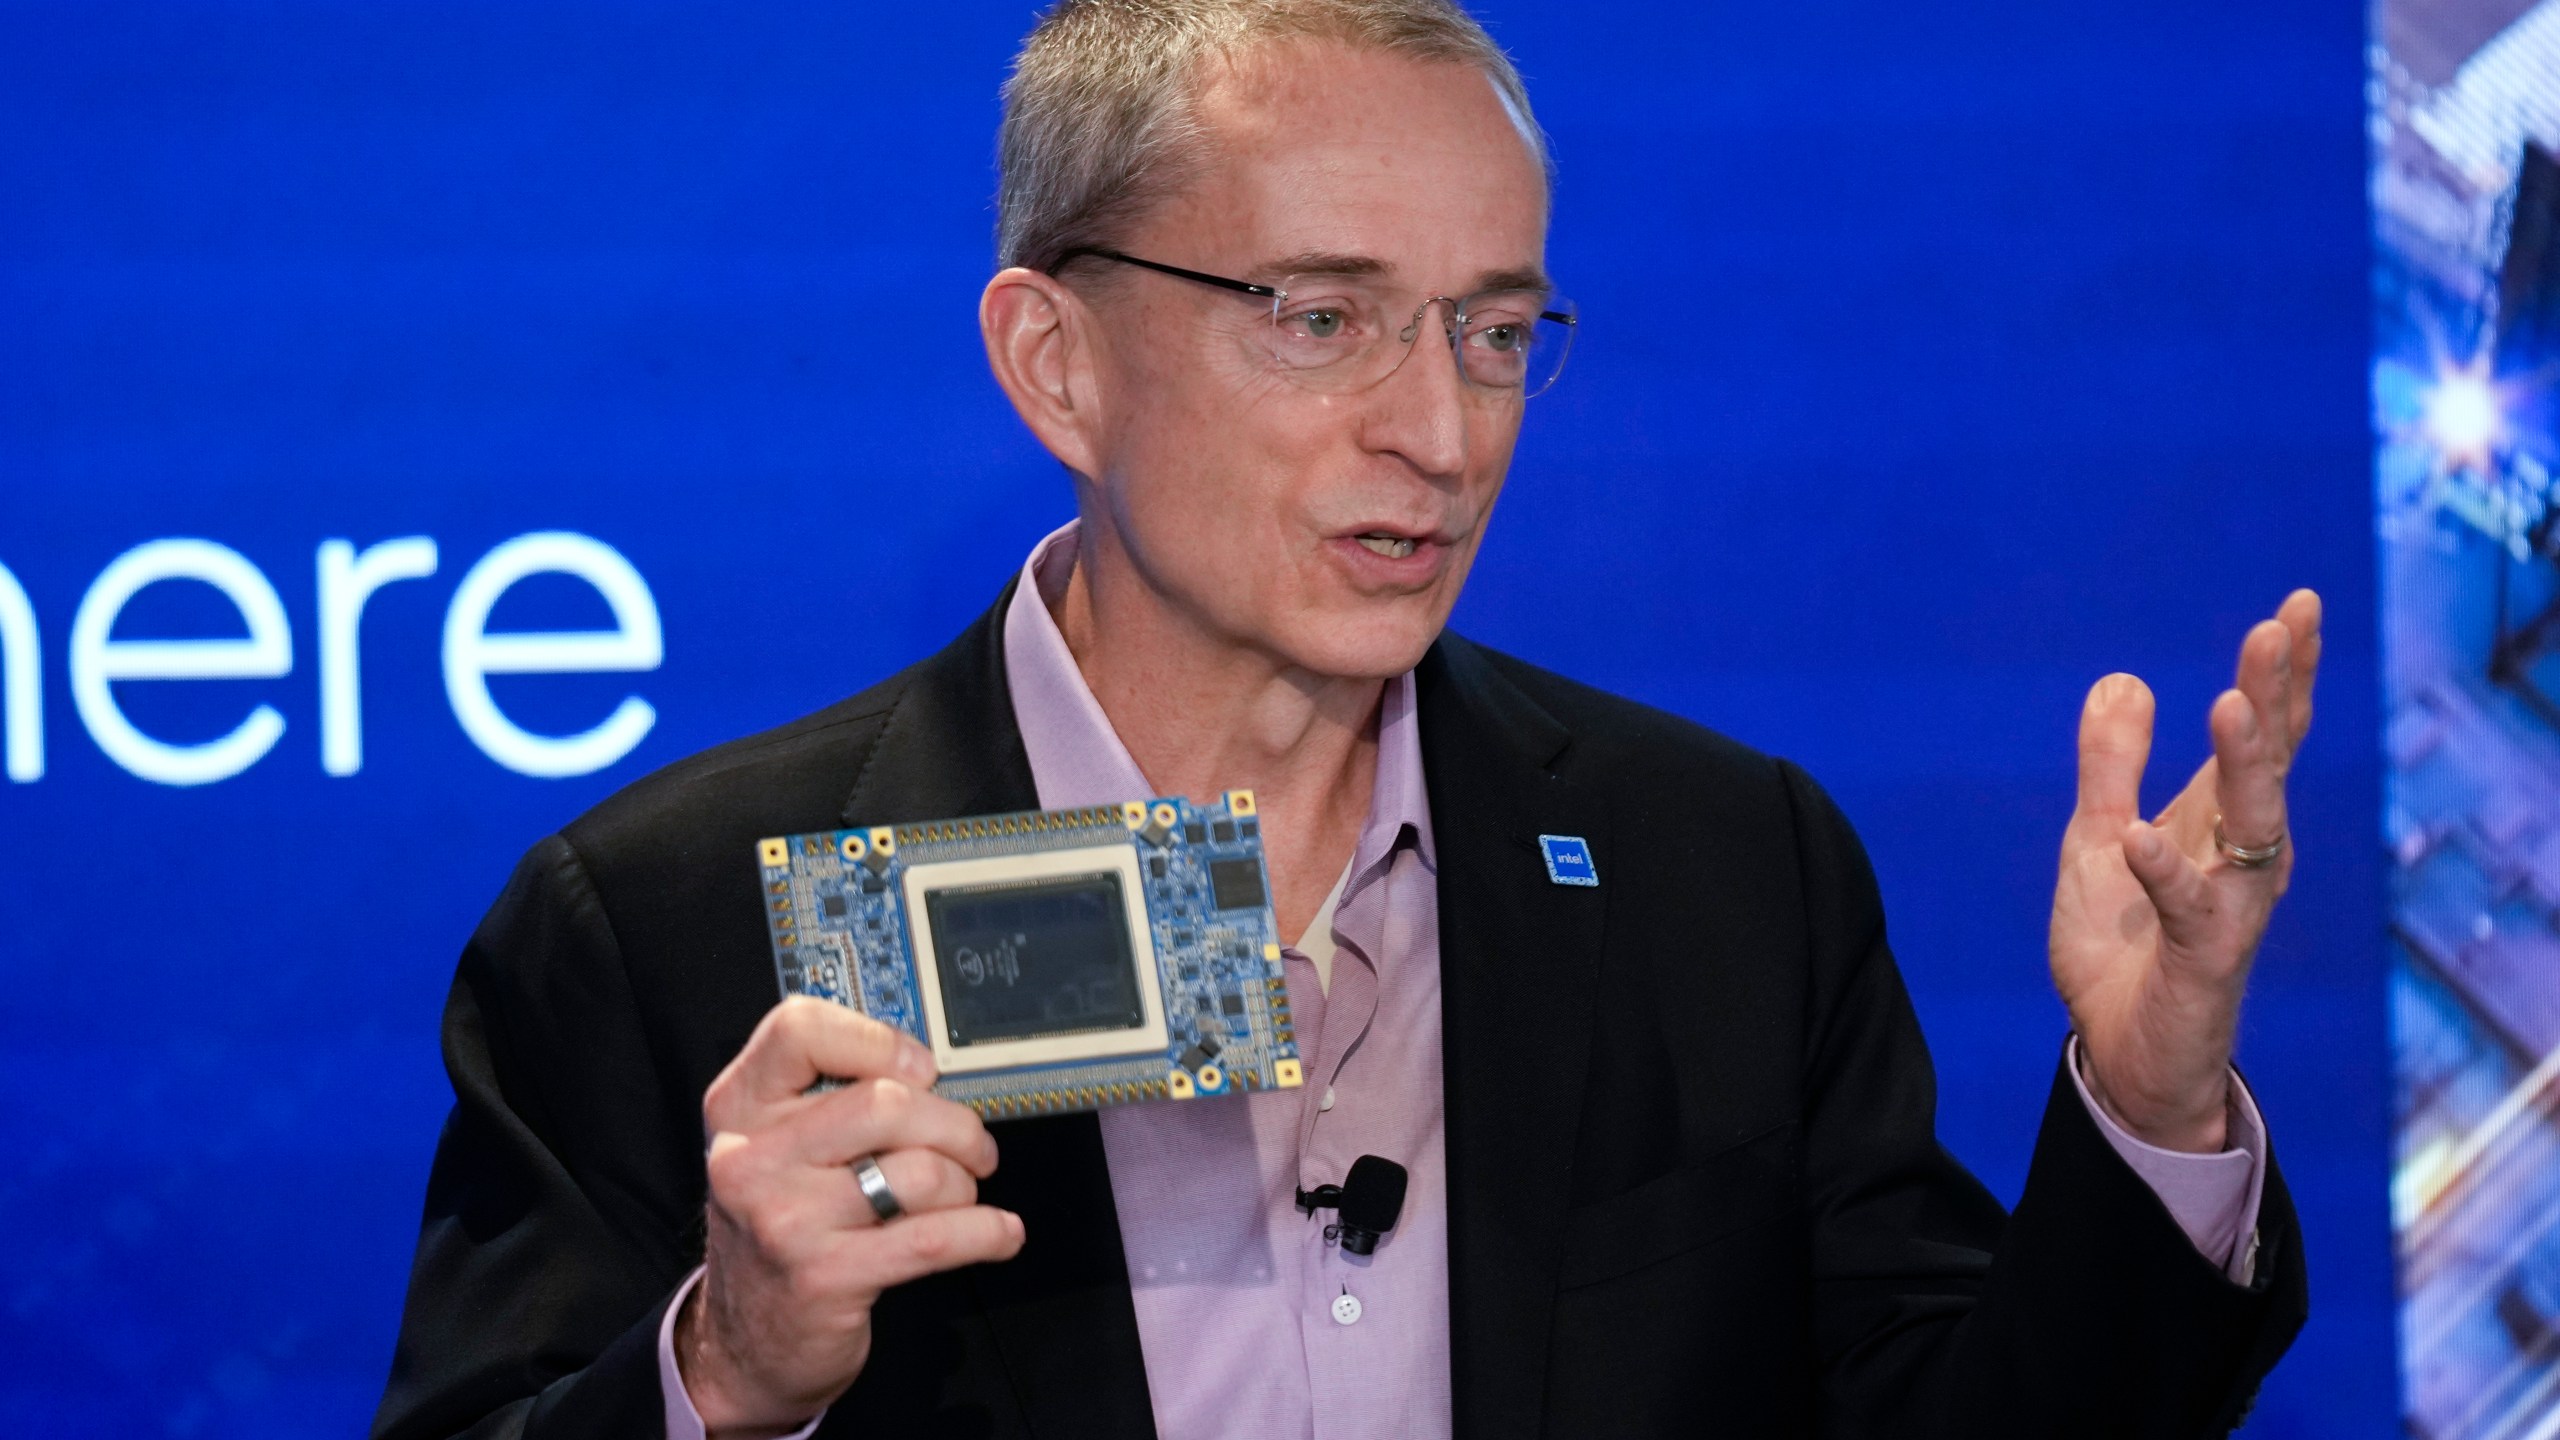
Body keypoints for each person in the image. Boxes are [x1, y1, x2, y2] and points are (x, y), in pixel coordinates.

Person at [371, 2, 2314, 1436]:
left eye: (1490, 328)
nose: (1439, 430)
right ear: (1056, 367)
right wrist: (723, 1378)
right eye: (1318, 315)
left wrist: (2147, 1111)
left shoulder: (1719, 863)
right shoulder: (670, 923)